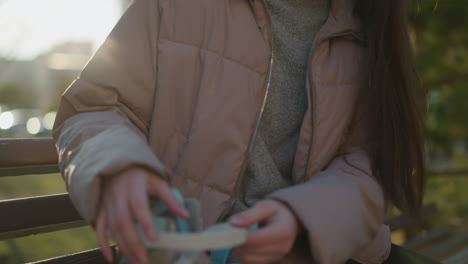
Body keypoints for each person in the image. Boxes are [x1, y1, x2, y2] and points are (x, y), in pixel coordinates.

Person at [52, 0, 426, 263]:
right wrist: (118, 167)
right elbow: (95, 107)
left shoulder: (373, 32)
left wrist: (302, 219)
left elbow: (372, 166)